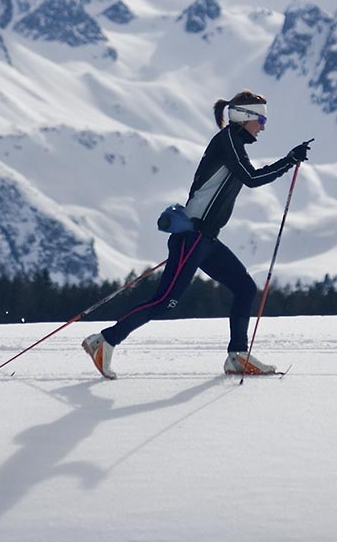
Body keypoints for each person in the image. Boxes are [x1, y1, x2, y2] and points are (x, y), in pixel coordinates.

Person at [83, 90, 311, 378]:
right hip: (193, 238)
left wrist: (288, 160)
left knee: (244, 288)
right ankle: (104, 341)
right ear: (246, 117)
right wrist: (289, 160)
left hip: (206, 239)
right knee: (164, 301)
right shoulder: (228, 141)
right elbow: (251, 178)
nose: (264, 126)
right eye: (261, 119)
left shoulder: (234, 143)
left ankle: (237, 356)